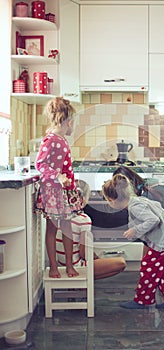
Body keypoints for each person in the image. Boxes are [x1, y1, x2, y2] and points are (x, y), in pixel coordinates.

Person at [102, 174, 164, 310]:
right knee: (163, 270)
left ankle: (143, 300)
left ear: (113, 200)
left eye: (108, 201)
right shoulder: (136, 201)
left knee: (147, 267)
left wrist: (135, 230)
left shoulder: (135, 207)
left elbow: (153, 220)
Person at [35, 97, 82, 278]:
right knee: (52, 229)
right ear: (68, 122)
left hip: (65, 192)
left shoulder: (61, 139)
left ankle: (69, 266)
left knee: (68, 228)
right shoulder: (50, 140)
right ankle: (55, 267)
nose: (73, 126)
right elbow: (41, 164)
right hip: (53, 192)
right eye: (73, 123)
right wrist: (58, 176)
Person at [56, 179, 127, 279]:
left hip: (61, 265)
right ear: (84, 199)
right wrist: (97, 258)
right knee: (121, 263)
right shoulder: (83, 219)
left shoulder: (59, 216)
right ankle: (81, 282)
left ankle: (81, 283)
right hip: (77, 267)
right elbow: (84, 253)